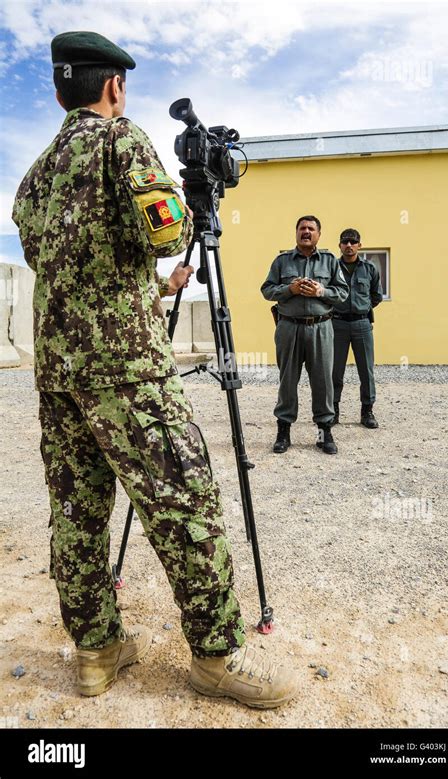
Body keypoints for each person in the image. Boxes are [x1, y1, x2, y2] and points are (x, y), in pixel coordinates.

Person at [12, 30, 297, 709]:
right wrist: (186, 206)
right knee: (185, 503)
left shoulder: (36, 174)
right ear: (113, 88)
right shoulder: (123, 142)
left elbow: (66, 265)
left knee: (77, 512)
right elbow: (167, 230)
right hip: (129, 372)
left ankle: (96, 651)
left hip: (59, 373)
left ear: (59, 92)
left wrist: (158, 288)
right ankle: (217, 658)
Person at [261, 215, 349, 455]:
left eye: (311, 228)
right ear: (296, 233)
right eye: (302, 228)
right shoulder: (282, 261)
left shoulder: (330, 261)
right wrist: (289, 289)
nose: (306, 232)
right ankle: (283, 431)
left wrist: (322, 291)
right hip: (289, 327)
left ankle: (324, 433)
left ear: (319, 234)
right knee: (287, 380)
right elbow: (267, 290)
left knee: (323, 381)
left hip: (321, 327)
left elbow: (342, 293)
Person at [332, 228, 383, 428]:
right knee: (334, 370)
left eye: (353, 242)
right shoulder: (332, 267)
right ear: (340, 246)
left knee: (366, 370)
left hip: (362, 324)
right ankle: (333, 410)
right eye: (345, 242)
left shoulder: (369, 268)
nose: (349, 245)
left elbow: (376, 295)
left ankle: (367, 411)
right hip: (337, 324)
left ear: (359, 245)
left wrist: (362, 307)